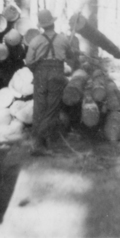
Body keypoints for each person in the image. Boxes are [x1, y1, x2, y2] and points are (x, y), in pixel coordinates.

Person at [25, 9, 80, 153]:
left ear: (42, 26)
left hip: (40, 75)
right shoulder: (63, 39)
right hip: (56, 74)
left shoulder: (35, 41)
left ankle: (37, 142)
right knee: (52, 109)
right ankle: (39, 143)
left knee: (39, 109)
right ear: (53, 24)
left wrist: (38, 72)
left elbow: (29, 62)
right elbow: (71, 56)